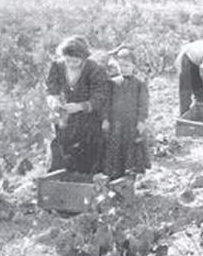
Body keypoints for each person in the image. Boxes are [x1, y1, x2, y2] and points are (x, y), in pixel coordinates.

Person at [46, 35, 108, 174]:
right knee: (58, 144)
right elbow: (51, 89)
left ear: (84, 58)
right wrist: (54, 100)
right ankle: (57, 180)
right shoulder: (57, 66)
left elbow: (100, 97)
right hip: (66, 115)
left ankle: (85, 182)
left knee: (87, 153)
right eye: (68, 60)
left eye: (76, 61)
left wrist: (80, 106)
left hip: (89, 117)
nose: (71, 64)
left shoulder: (94, 69)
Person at [101, 47, 151, 179]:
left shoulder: (140, 83)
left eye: (127, 65)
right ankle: (116, 175)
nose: (124, 68)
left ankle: (130, 177)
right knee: (115, 149)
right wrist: (105, 119)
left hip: (132, 123)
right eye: (121, 65)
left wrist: (141, 121)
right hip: (116, 123)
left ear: (134, 66)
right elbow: (107, 103)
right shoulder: (112, 83)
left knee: (132, 148)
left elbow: (143, 104)